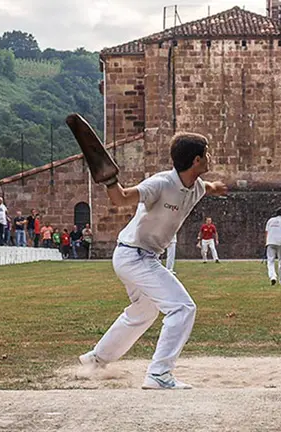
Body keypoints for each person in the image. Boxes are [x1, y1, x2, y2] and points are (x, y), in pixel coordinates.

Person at [78, 132, 227, 390]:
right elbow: (120, 198)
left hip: (141, 257)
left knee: (144, 311)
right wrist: (109, 180)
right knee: (182, 308)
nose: (210, 157)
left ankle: (96, 358)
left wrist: (219, 188)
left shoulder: (198, 186)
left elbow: (210, 188)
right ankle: (159, 374)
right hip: (133, 255)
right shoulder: (160, 184)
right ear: (196, 160)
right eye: (207, 153)